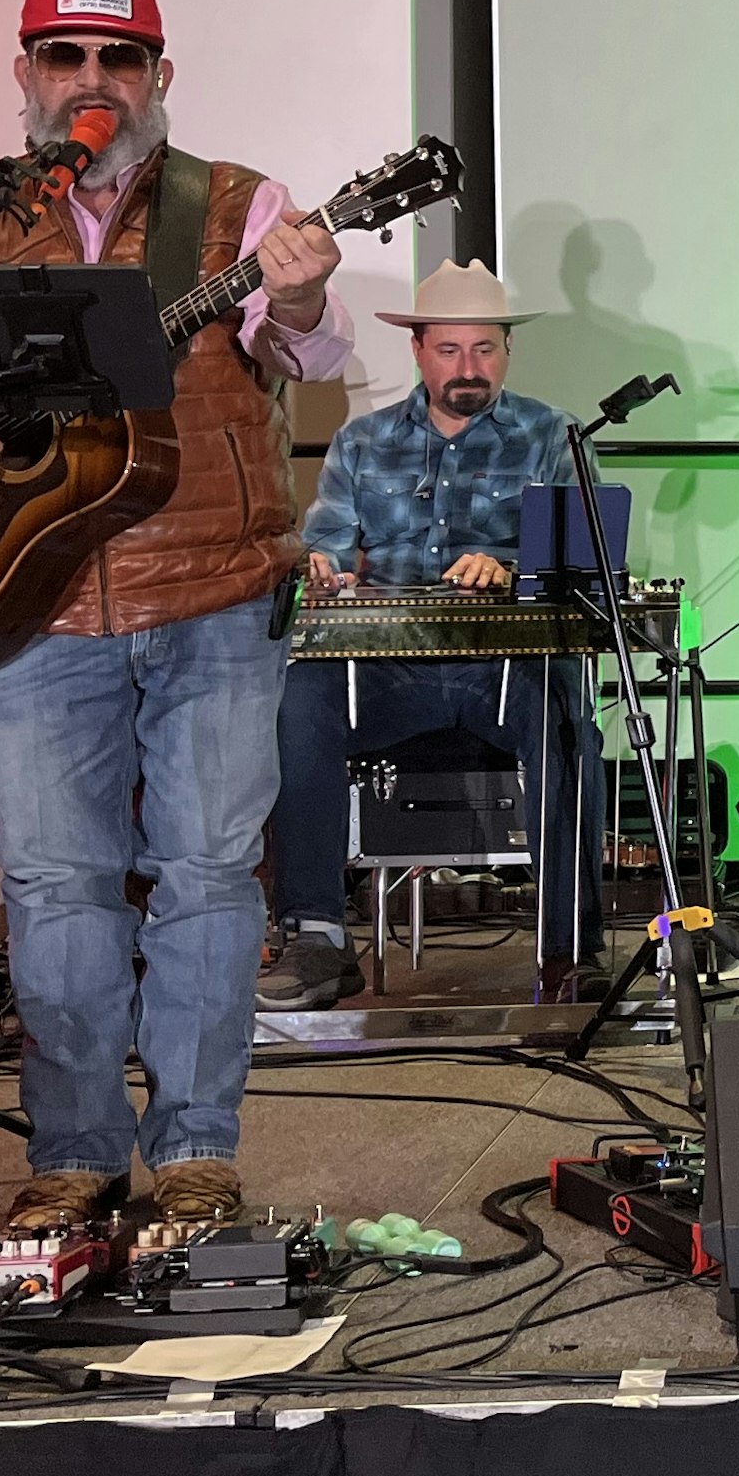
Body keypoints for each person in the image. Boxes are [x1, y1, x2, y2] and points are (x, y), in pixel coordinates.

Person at [0, 0, 347, 1231]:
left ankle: (199, 1153)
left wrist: (307, 290)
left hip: (213, 591)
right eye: (65, 56)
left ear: (159, 77)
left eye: (119, 56)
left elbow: (308, 352)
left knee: (209, 878)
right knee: (52, 887)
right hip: (27, 596)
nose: (91, 80)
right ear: (25, 75)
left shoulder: (236, 205)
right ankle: (76, 1158)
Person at [267, 261, 593, 1007]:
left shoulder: (553, 436)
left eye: (484, 348)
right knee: (298, 701)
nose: (468, 367)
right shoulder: (364, 443)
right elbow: (326, 545)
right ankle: (317, 937)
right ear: (418, 350)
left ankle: (571, 947)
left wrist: (512, 566)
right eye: (450, 350)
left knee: (567, 714)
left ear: (507, 350)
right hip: (392, 672)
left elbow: (586, 563)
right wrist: (320, 565)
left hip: (505, 672)